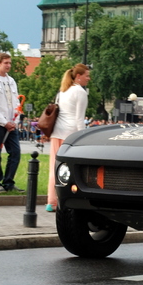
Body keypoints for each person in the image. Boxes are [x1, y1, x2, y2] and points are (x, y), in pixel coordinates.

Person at [46, 63, 90, 212]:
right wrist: (83, 137)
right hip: (70, 135)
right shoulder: (80, 92)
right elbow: (79, 118)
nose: (88, 78)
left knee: (54, 168)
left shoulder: (63, 91)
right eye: (87, 75)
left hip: (57, 133)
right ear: (78, 77)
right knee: (68, 170)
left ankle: (50, 202)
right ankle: (64, 201)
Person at [0, 53, 24, 193]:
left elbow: (16, 102)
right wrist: (3, 121)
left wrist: (15, 119)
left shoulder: (11, 81)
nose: (8, 65)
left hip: (11, 122)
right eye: (6, 63)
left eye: (9, 63)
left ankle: (8, 181)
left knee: (15, 152)